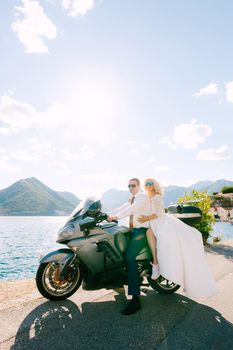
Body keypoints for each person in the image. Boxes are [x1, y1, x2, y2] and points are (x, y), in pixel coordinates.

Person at [138, 178, 217, 298]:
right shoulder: (145, 196)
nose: (148, 185)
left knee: (150, 233)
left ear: (154, 185)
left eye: (150, 183)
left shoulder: (157, 196)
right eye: (146, 183)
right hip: (152, 221)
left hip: (159, 221)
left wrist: (145, 218)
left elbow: (159, 213)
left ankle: (155, 262)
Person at [108, 178, 151, 315]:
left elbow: (132, 209)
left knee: (130, 257)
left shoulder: (142, 197)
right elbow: (122, 207)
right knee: (117, 251)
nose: (131, 188)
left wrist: (116, 217)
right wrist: (107, 214)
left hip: (141, 231)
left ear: (139, 186)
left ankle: (135, 299)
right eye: (129, 186)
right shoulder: (131, 198)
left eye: (133, 185)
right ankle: (120, 279)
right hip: (132, 231)